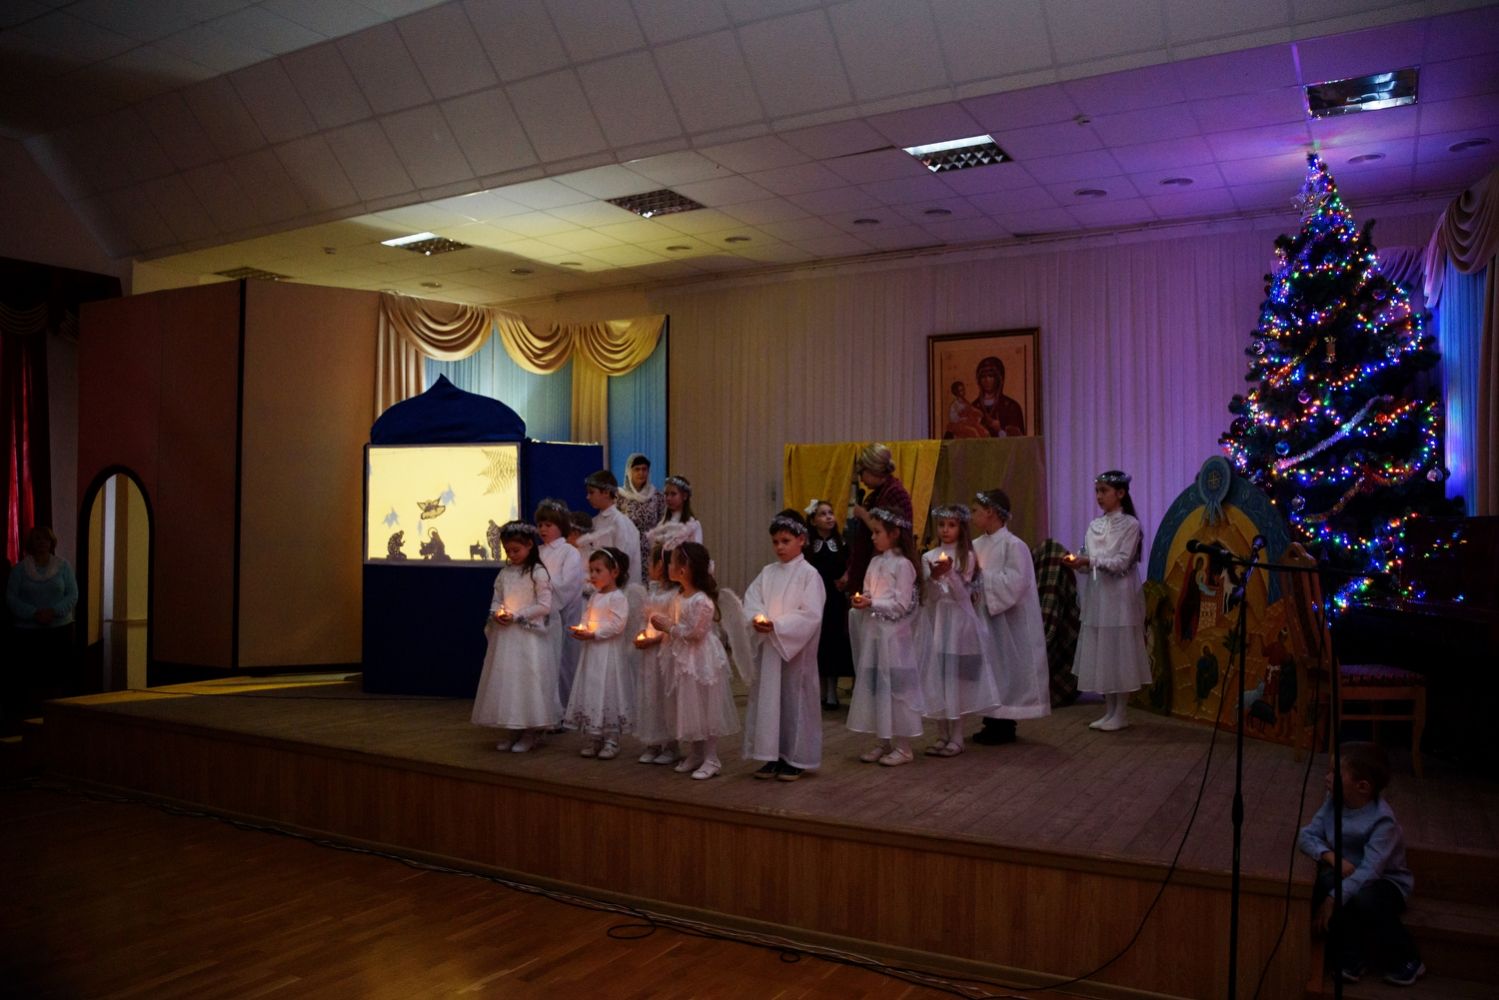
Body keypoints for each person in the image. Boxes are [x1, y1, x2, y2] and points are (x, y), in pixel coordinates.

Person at [1298, 742, 1424, 987]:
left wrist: (1333, 898)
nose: (1327, 777)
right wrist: (1330, 857)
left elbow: (1371, 871)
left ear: (1363, 787)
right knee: (1326, 881)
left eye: (1335, 773)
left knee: (1362, 897)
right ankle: (1351, 957)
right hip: (1347, 872)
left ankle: (1407, 958)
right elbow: (1307, 835)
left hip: (1384, 882)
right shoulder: (1333, 801)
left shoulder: (1382, 821)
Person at [1064, 470, 1152, 731]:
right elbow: (1088, 559)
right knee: (1105, 652)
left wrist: (1089, 561)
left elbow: (1122, 562)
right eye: (1097, 491)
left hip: (1120, 599)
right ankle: (1110, 711)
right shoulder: (1094, 525)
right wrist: (1077, 563)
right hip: (1099, 597)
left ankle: (1121, 712)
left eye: (1104, 491)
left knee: (1119, 652)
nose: (1099, 496)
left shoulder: (1130, 525)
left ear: (1120, 493)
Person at [742, 510, 826, 781]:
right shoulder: (767, 572)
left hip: (795, 653)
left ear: (801, 539)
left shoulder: (809, 575)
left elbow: (810, 613)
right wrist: (757, 618)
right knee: (769, 701)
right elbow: (752, 599)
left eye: (785, 541)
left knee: (794, 701)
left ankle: (796, 757)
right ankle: (771, 754)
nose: (779, 547)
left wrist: (778, 626)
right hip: (770, 650)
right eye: (775, 542)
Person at [968, 490, 1051, 745]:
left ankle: (1004, 723)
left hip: (1008, 622)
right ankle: (990, 719)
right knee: (989, 668)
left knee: (1006, 669)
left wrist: (980, 579)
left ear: (991, 512)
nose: (971, 516)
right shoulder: (975, 545)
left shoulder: (1014, 546)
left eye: (975, 510)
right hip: (984, 617)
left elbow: (1015, 583)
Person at [918, 504, 999, 756]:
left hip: (960, 624)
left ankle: (957, 736)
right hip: (938, 622)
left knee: (957, 679)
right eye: (942, 525)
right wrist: (933, 577)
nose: (945, 530)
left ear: (961, 528)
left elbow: (963, 596)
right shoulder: (928, 556)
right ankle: (941, 734)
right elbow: (931, 596)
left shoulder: (968, 557)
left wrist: (950, 574)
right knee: (939, 677)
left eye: (951, 525)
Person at [653, 541, 738, 780]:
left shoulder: (702, 601)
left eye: (672, 562)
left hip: (701, 658)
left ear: (684, 569)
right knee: (689, 704)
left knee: (704, 704)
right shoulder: (680, 596)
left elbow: (695, 633)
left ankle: (712, 758)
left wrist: (668, 627)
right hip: (683, 656)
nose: (668, 566)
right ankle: (696, 752)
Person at [846, 507, 924, 767]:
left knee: (897, 690)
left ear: (894, 533)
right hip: (876, 635)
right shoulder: (875, 562)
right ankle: (884, 741)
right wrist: (863, 600)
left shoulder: (903, 565)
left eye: (878, 532)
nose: (873, 537)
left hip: (896, 638)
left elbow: (901, 604)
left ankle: (903, 746)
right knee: (878, 688)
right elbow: (869, 592)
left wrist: (872, 602)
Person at [471, 522, 556, 753]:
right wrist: (496, 613)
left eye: (516, 550)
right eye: (508, 551)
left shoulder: (537, 573)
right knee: (509, 681)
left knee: (527, 681)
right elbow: (497, 599)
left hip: (528, 637)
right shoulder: (505, 573)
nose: (512, 555)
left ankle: (531, 731)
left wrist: (517, 615)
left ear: (529, 545)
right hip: (507, 637)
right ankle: (513, 728)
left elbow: (544, 605)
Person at [564, 547, 636, 759]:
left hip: (609, 654)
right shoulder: (594, 597)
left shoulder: (618, 597)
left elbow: (617, 624)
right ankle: (594, 735)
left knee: (609, 690)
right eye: (591, 571)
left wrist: (594, 633)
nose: (593, 575)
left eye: (598, 570)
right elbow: (587, 617)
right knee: (593, 689)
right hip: (592, 654)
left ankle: (611, 738)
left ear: (614, 572)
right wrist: (582, 629)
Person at [7, 526, 79, 729]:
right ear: (31, 543)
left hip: (59, 631)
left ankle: (58, 719)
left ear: (51, 542)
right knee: (31, 679)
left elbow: (72, 594)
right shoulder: (20, 570)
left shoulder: (63, 567)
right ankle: (29, 720)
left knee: (57, 677)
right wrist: (33, 613)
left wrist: (54, 612)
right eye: (37, 539)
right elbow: (11, 598)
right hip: (28, 633)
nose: (41, 543)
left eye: (45, 539)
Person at [841, 444, 913, 596]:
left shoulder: (895, 493)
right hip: (873, 564)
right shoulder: (876, 494)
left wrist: (863, 514)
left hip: (889, 569)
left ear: (873, 469)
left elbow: (888, 530)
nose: (861, 479)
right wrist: (851, 570)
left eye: (862, 472)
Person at [632, 543, 679, 766]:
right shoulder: (652, 591)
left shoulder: (675, 595)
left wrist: (656, 639)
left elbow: (674, 624)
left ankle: (670, 744)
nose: (648, 566)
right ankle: (652, 742)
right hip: (649, 655)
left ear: (661, 565)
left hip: (665, 651)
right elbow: (646, 618)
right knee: (650, 694)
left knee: (665, 696)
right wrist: (642, 633)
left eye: (651, 562)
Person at [535, 499, 584, 711]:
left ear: (561, 526)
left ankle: (563, 708)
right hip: (539, 615)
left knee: (563, 662)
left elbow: (568, 585)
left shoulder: (569, 552)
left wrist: (544, 587)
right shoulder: (536, 551)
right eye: (540, 525)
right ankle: (543, 708)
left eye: (549, 525)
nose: (543, 529)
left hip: (562, 615)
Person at [804, 499, 853, 710]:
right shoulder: (807, 545)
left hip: (835, 599)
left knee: (834, 642)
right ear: (813, 520)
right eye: (823, 514)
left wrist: (846, 577)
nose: (828, 517)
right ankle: (821, 689)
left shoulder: (842, 543)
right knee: (819, 643)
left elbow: (851, 565)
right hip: (815, 600)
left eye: (830, 513)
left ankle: (832, 689)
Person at [576, 471, 642, 584]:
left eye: (591, 492)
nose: (587, 497)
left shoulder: (620, 522)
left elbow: (622, 561)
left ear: (606, 492)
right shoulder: (594, 521)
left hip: (621, 587)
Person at [616, 453, 665, 572]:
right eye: (637, 469)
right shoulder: (619, 496)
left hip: (650, 552)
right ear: (629, 471)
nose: (641, 473)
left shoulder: (656, 496)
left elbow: (662, 523)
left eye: (644, 469)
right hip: (628, 551)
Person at [645, 474, 703, 552]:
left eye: (673, 494)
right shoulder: (662, 525)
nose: (668, 498)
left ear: (685, 496)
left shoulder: (693, 525)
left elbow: (696, 554)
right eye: (666, 494)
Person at [972, 355, 1026, 437]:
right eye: (983, 377)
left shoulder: (1011, 407)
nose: (987, 380)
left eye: (991, 376)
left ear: (999, 379)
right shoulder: (974, 407)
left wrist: (1000, 429)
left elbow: (1019, 440)